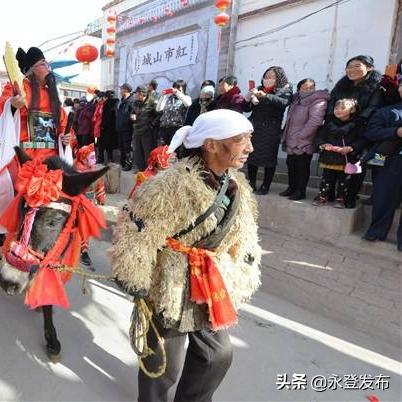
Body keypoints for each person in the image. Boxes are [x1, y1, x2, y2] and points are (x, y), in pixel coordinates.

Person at [112, 109, 261, 402]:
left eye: (250, 138)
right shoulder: (169, 186)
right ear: (212, 144)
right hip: (170, 282)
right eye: (240, 139)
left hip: (208, 281)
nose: (250, 147)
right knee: (164, 365)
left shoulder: (236, 184)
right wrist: (134, 276)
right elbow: (137, 231)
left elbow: (244, 231)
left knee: (217, 356)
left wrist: (245, 262)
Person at [0, 46, 73, 244]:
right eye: (43, 64)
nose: (48, 68)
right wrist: (12, 106)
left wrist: (67, 138)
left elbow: (64, 125)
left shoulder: (52, 95)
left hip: (50, 160)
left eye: (47, 64)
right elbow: (4, 108)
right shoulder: (17, 88)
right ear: (31, 69)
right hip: (24, 160)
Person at [325, 55, 384, 208]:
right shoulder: (342, 85)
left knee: (357, 163)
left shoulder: (377, 86)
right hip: (338, 128)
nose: (352, 70)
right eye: (349, 66)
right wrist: (331, 122)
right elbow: (332, 103)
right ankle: (329, 193)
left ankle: (350, 196)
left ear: (369, 68)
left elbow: (372, 108)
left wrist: (352, 124)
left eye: (357, 66)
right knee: (335, 162)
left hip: (362, 130)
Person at [362, 80, 402, 252]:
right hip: (385, 159)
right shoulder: (386, 110)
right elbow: (370, 133)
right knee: (383, 197)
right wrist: (395, 132)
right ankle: (376, 230)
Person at [245, 66, 293, 194]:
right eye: (266, 76)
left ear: (278, 78)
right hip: (255, 127)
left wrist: (266, 96)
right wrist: (249, 97)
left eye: (272, 77)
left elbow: (283, 102)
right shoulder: (259, 89)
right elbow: (247, 108)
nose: (268, 79)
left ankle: (266, 185)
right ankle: (252, 183)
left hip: (271, 129)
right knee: (252, 156)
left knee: (269, 158)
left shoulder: (285, 91)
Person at [281, 78, 329, 200]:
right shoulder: (296, 99)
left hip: (305, 139)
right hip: (291, 138)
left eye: (311, 87)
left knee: (302, 166)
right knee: (291, 164)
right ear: (299, 88)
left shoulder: (318, 100)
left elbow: (315, 121)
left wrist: (301, 136)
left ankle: (300, 191)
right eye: (305, 87)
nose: (308, 90)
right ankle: (291, 188)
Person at [313, 98, 362, 208]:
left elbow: (361, 139)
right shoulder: (328, 122)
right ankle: (323, 197)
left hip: (347, 159)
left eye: (343, 108)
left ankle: (341, 199)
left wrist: (351, 147)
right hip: (329, 157)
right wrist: (324, 144)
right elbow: (320, 136)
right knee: (326, 179)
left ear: (352, 110)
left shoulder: (356, 125)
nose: (338, 110)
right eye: (336, 108)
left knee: (344, 181)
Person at [74, 143, 106, 267]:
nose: (95, 160)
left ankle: (83, 249)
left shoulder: (94, 171)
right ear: (83, 159)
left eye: (94, 157)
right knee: (80, 226)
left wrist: (101, 198)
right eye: (92, 158)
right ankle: (80, 249)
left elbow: (99, 185)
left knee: (86, 228)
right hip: (79, 205)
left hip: (90, 205)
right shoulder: (76, 171)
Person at [132, 85, 159, 171]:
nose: (136, 95)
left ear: (142, 94)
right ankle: (141, 170)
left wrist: (152, 125)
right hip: (137, 130)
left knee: (148, 152)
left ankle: (148, 171)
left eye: (137, 93)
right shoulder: (135, 102)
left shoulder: (152, 103)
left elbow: (158, 115)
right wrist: (132, 116)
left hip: (147, 131)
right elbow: (132, 112)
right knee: (137, 152)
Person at [157, 79, 192, 146]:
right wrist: (163, 96)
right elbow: (158, 109)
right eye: (175, 88)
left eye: (179, 89)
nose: (176, 91)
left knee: (174, 151)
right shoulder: (169, 98)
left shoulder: (186, 97)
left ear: (183, 90)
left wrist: (177, 93)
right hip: (164, 128)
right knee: (163, 151)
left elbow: (188, 104)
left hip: (176, 128)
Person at [116, 83, 135, 171]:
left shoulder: (132, 101)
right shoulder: (122, 101)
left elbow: (132, 115)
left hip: (128, 129)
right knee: (121, 147)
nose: (120, 91)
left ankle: (128, 164)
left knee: (127, 147)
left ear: (126, 90)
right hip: (120, 128)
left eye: (121, 89)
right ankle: (122, 163)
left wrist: (127, 123)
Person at [98, 90, 119, 164]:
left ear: (105, 97)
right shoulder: (116, 103)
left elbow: (106, 117)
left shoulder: (107, 104)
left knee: (102, 145)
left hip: (105, 128)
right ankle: (110, 160)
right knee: (109, 145)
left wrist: (103, 126)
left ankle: (101, 160)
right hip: (113, 128)